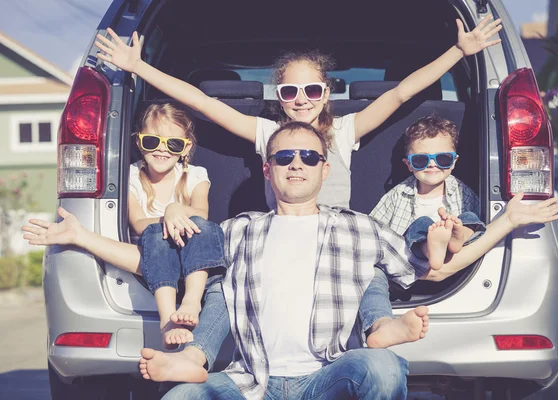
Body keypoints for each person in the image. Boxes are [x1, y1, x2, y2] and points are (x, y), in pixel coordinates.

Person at [24, 122, 558, 400]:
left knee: (381, 365)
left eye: (308, 156)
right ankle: (195, 363)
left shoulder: (360, 227)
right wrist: (78, 235)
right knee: (184, 395)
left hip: (326, 377)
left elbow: (437, 269)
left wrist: (509, 222)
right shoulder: (236, 231)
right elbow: (148, 259)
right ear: (268, 168)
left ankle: (381, 334)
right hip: (247, 382)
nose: (297, 164)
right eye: (285, 156)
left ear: (324, 167)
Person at [93, 14, 504, 348]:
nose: (301, 98)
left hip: (339, 243)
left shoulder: (343, 132)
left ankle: (382, 327)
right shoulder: (266, 134)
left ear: (326, 93)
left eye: (311, 89)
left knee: (371, 275)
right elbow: (202, 102)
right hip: (280, 243)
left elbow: (399, 95)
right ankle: (196, 347)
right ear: (279, 96)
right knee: (229, 278)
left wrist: (458, 51)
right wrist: (138, 67)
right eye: (290, 91)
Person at [128, 103, 225, 348]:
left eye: (173, 144)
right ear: (139, 142)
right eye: (152, 141)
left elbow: (201, 212)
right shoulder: (130, 177)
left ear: (185, 148)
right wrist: (166, 218)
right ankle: (168, 317)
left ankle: (192, 300)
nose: (162, 149)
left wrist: (175, 209)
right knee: (154, 233)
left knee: (205, 226)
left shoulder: (195, 176)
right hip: (155, 250)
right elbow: (139, 223)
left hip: (192, 251)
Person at [371, 114, 485, 271]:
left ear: (454, 162)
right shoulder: (397, 195)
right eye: (421, 160)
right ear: (408, 164)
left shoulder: (462, 191)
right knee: (420, 225)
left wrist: (460, 229)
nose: (432, 164)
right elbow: (373, 229)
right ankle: (429, 249)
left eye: (443, 159)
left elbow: (482, 222)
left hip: (458, 263)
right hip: (411, 265)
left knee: (470, 219)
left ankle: (459, 237)